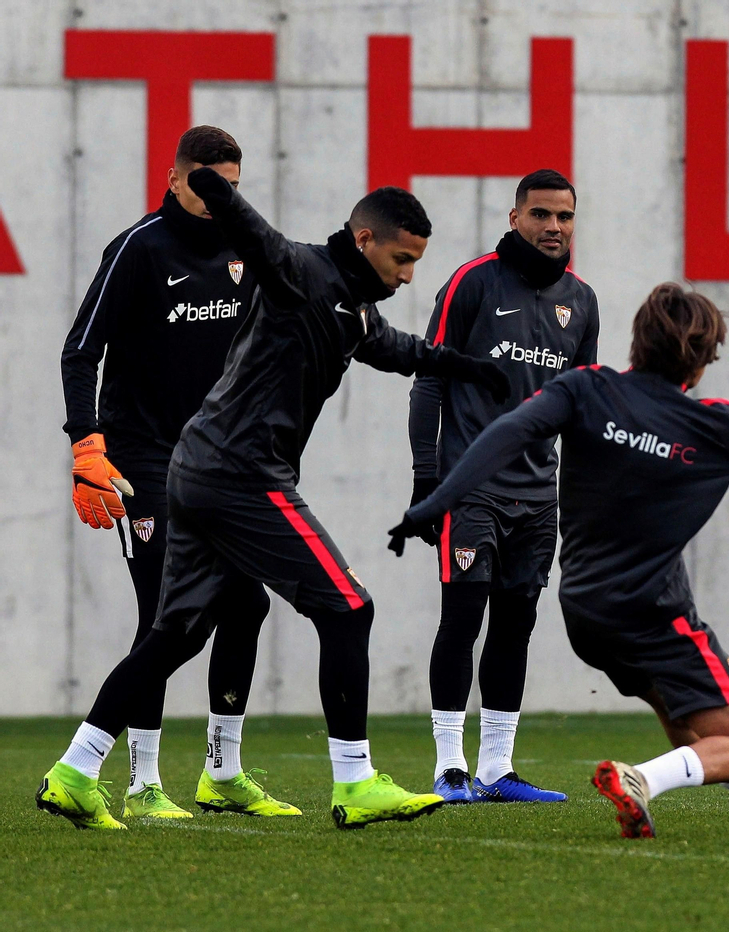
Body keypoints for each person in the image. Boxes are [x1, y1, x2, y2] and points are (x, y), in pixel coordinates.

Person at [35, 168, 510, 831]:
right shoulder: (299, 271)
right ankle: (354, 781)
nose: (407, 276)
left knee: (177, 631)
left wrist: (475, 369)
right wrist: (213, 184)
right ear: (364, 238)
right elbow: (254, 236)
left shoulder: (351, 304)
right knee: (348, 607)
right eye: (401, 259)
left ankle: (76, 771)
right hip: (239, 473)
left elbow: (399, 351)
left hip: (199, 468)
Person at [391, 283, 729, 838]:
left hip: (585, 613)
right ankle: (640, 779)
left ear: (636, 341)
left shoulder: (584, 388)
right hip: (655, 614)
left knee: (690, 722)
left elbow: (505, 433)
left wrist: (433, 500)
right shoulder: (715, 425)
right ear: (701, 362)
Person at [59, 125, 282, 820]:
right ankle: (142, 783)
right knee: (166, 612)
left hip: (219, 459)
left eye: (232, 188)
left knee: (247, 604)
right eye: (206, 184)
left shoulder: (248, 247)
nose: (219, 199)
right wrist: (85, 445)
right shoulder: (138, 246)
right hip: (142, 457)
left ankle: (222, 773)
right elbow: (79, 351)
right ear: (176, 175)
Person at [409, 169, 598, 804]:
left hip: (539, 497)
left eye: (564, 217)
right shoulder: (472, 282)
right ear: (515, 215)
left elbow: (583, 408)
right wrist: (426, 480)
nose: (553, 227)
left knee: (515, 624)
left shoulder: (583, 302)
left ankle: (495, 769)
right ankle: (449, 767)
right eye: (541, 214)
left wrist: (586, 494)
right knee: (463, 616)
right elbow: (429, 381)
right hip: (471, 488)